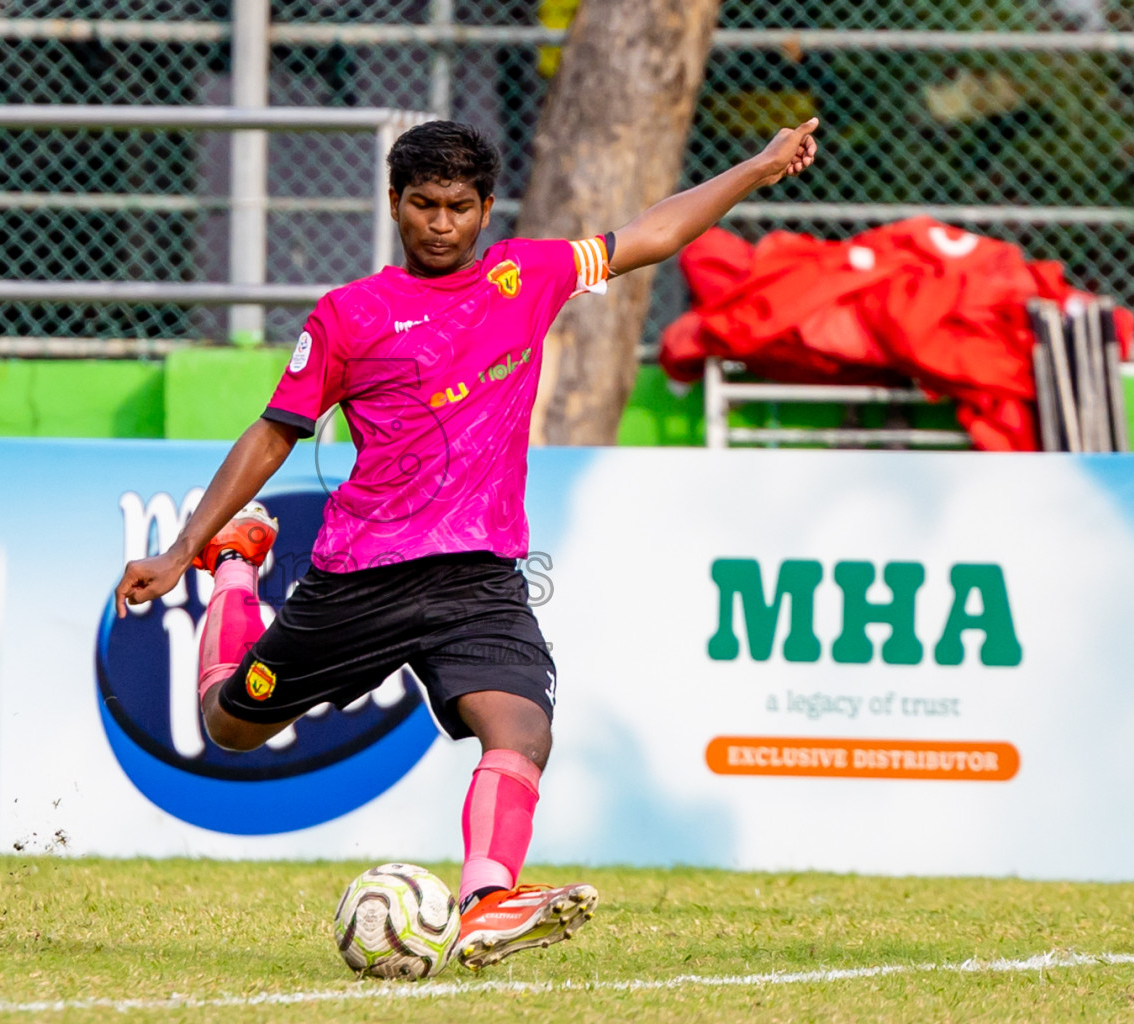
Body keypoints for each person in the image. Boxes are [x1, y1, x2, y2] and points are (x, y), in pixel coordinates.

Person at [114, 117, 818, 969]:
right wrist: (187, 546)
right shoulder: (349, 316)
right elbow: (275, 432)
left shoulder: (530, 275)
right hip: (359, 579)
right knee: (228, 725)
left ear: (487, 208)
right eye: (421, 205)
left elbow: (652, 234)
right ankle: (237, 566)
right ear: (393, 205)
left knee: (521, 731)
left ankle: (486, 900)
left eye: (457, 206)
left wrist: (757, 163)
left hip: (479, 575)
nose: (439, 224)